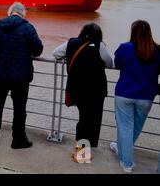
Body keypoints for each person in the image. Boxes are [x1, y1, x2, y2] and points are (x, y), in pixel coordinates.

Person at [0, 2, 43, 149]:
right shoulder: (27, 28)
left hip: (0, 74)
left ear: (9, 12)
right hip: (20, 76)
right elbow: (38, 49)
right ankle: (18, 139)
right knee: (19, 109)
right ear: (23, 13)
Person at [53, 23, 113, 158]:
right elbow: (109, 62)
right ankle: (82, 153)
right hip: (96, 89)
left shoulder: (71, 43)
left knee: (84, 119)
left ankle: (83, 150)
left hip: (77, 88)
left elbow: (56, 53)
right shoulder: (99, 45)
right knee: (91, 120)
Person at [110, 20, 160, 173]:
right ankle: (122, 149)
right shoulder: (158, 50)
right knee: (136, 128)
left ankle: (127, 163)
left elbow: (117, 63)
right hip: (146, 96)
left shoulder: (125, 48)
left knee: (125, 128)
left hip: (125, 93)